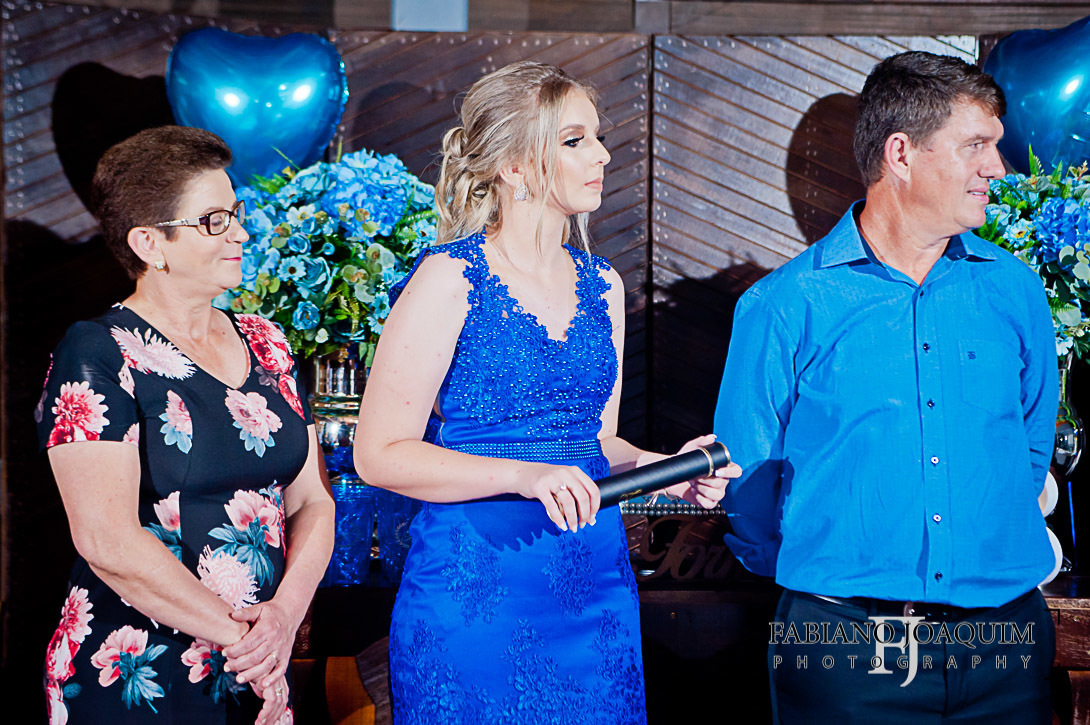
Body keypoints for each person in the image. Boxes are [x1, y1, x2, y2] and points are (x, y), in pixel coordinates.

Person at [353, 61, 739, 724]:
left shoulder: (605, 285)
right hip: (475, 594)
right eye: (575, 140)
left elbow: (594, 444)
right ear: (513, 166)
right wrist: (524, 474)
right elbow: (379, 454)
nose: (603, 155)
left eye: (597, 137)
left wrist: (667, 470)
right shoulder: (450, 278)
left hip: (593, 589)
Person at [714, 51, 1058, 724]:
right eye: (975, 146)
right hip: (842, 652)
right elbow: (746, 482)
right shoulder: (785, 304)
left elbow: (1029, 449)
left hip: (1007, 646)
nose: (997, 166)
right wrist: (837, 578)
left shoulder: (1015, 291)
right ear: (901, 154)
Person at [36, 126, 335, 724]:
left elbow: (312, 501)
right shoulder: (98, 351)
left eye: (235, 214)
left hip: (257, 664)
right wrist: (247, 641)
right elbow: (105, 541)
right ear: (150, 243)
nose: (241, 233)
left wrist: (282, 622)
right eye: (214, 221)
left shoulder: (267, 340)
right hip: (138, 670)